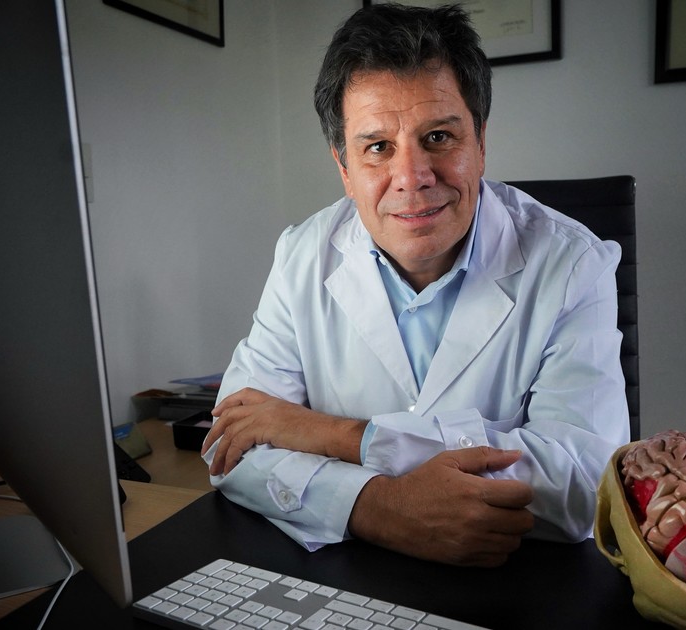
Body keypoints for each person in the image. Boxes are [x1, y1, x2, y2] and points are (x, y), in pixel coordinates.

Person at [201, 3, 629, 568]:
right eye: (377, 147)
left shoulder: (574, 263)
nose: (411, 178)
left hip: (511, 579)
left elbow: (584, 483)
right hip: (345, 569)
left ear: (480, 142)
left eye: (439, 136)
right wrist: (378, 507)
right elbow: (232, 445)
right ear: (344, 168)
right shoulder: (301, 254)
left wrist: (339, 437)